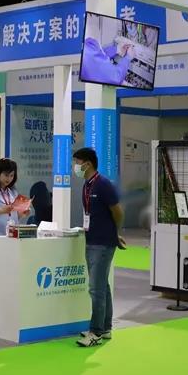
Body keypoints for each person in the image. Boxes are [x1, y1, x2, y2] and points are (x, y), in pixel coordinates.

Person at [72, 147, 126, 348]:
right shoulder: (87, 185)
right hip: (92, 240)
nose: (75, 166)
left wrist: (115, 232)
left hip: (103, 243)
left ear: (87, 164)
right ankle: (105, 328)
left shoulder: (103, 184)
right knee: (102, 286)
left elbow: (118, 211)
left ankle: (95, 332)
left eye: (77, 162)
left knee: (96, 289)